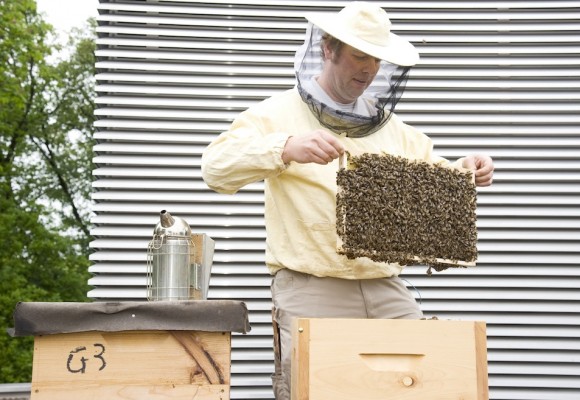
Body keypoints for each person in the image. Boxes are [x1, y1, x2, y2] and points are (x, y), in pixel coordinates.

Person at [201, 2, 494, 399]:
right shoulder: (275, 114)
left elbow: (433, 178)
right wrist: (284, 148)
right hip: (311, 286)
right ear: (328, 49)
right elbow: (215, 168)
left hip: (385, 285)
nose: (369, 69)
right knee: (315, 387)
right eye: (359, 55)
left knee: (423, 385)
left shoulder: (396, 131)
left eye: (377, 58)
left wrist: (467, 168)